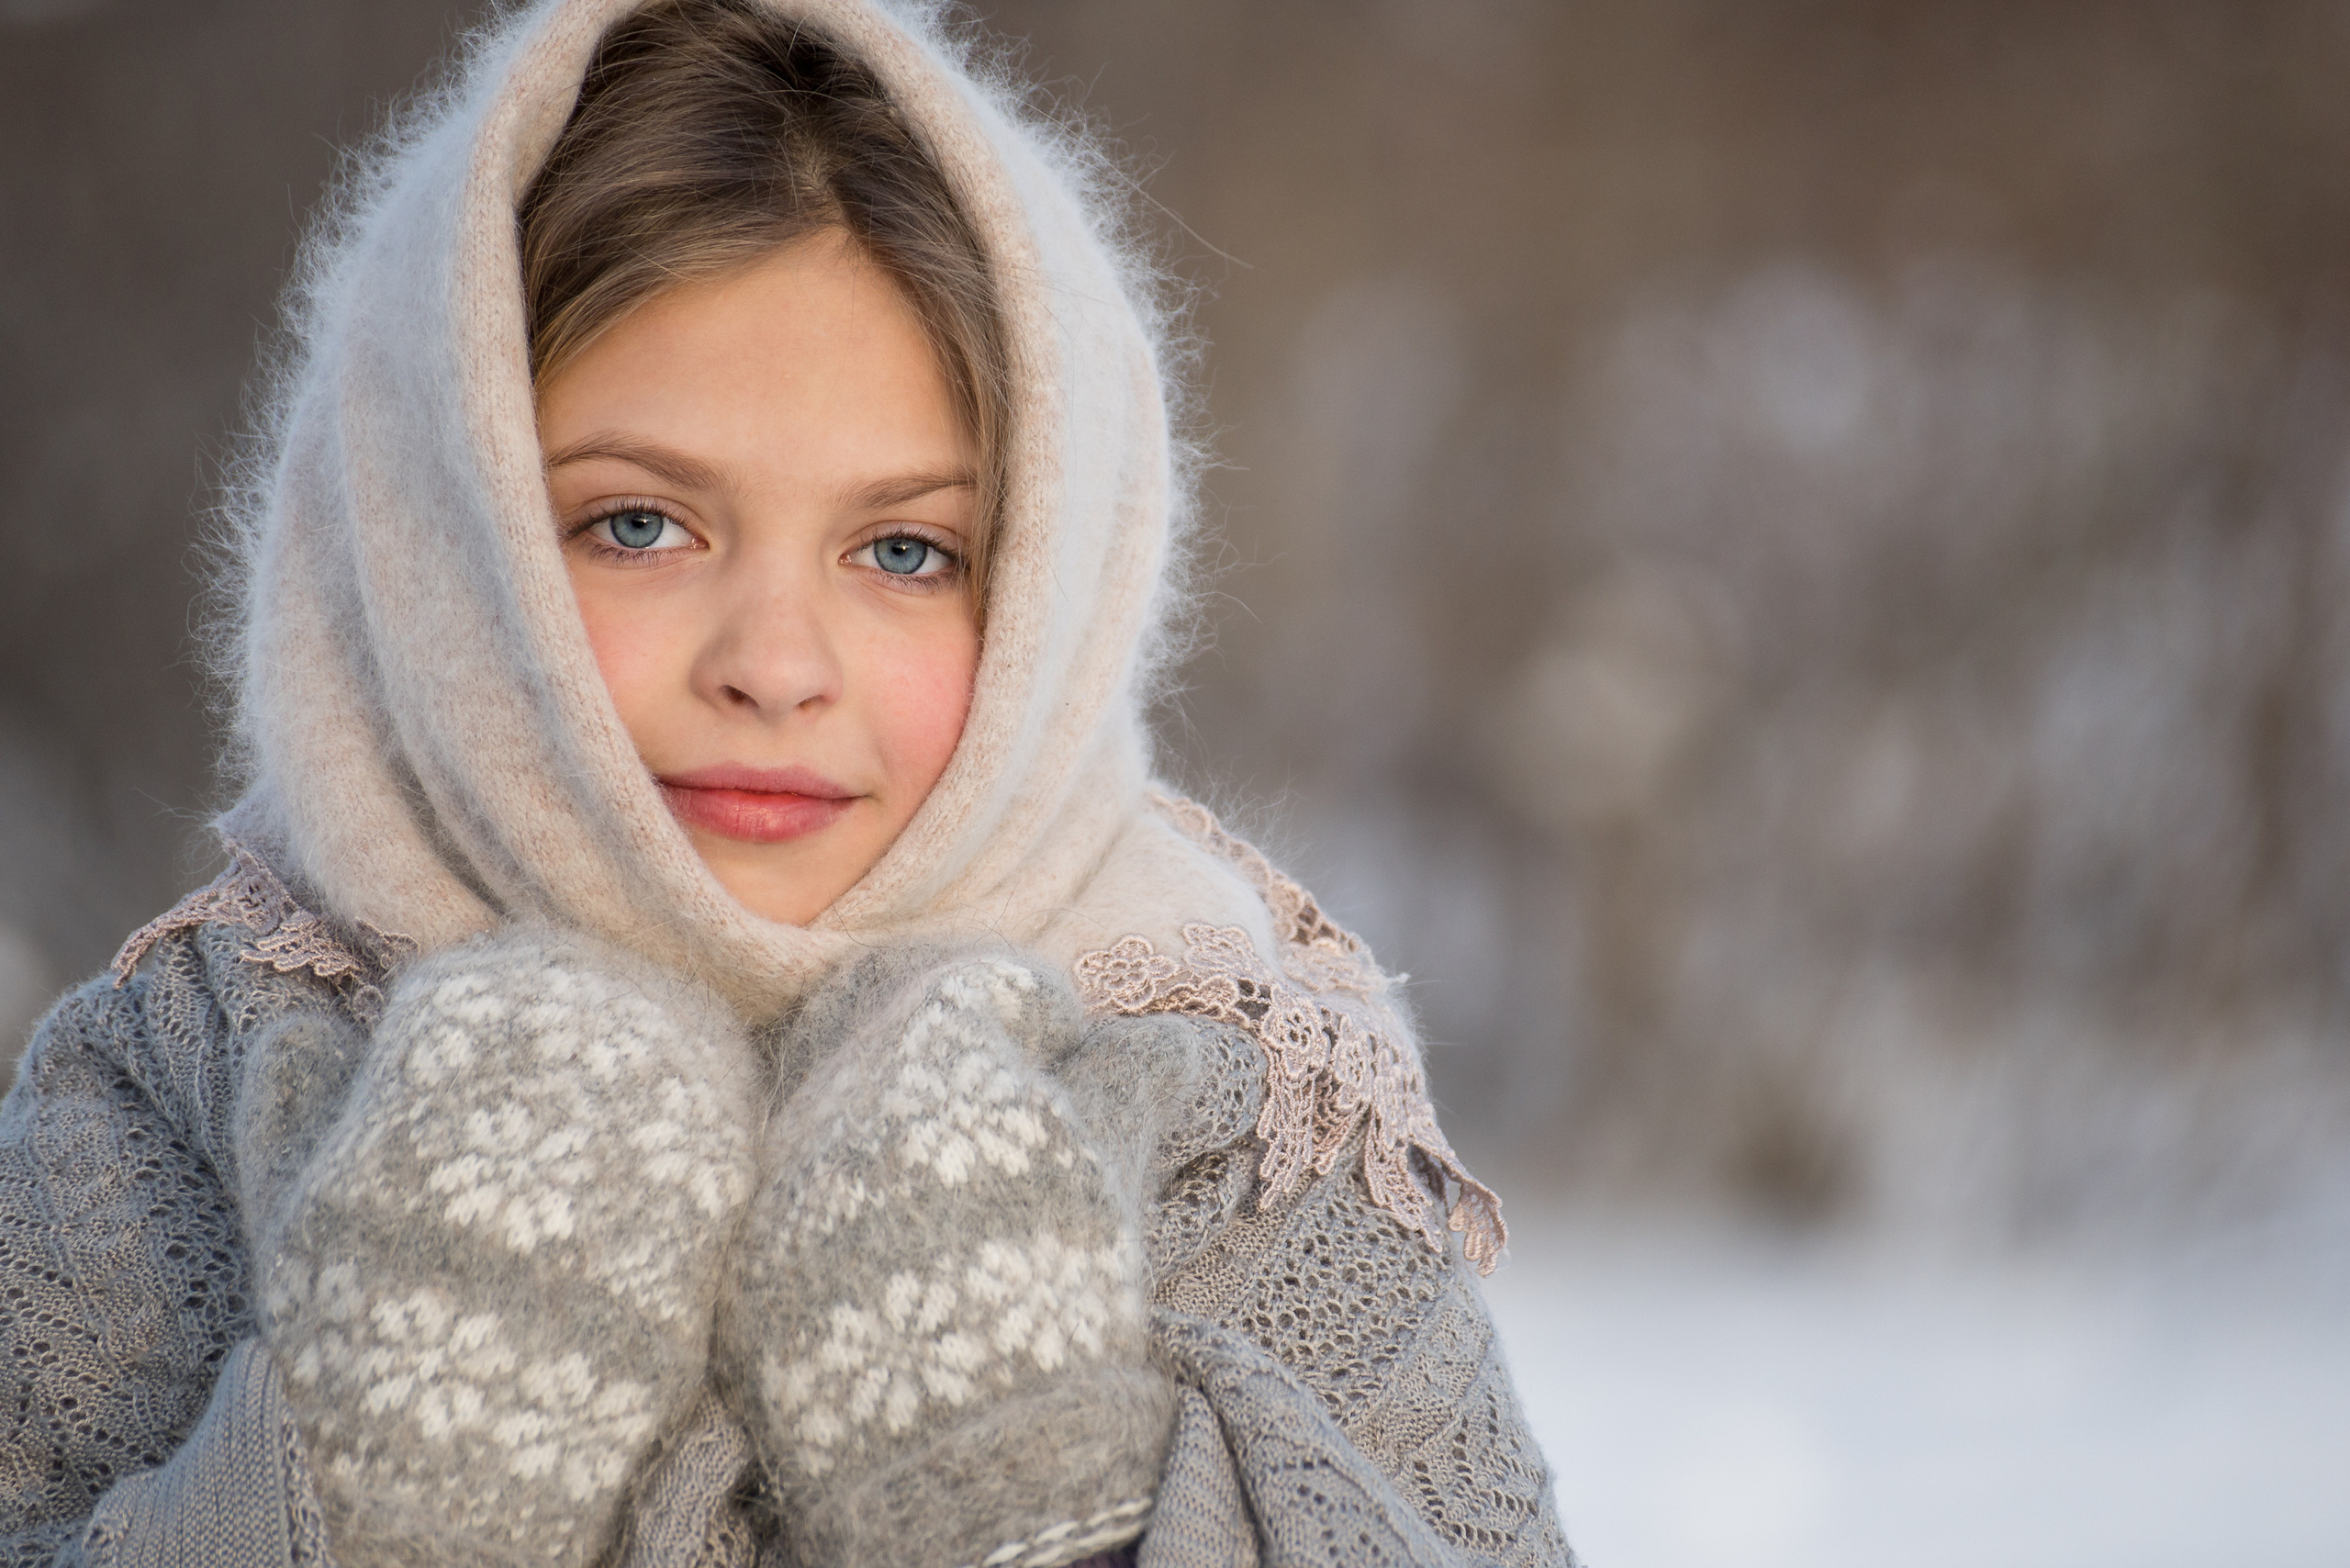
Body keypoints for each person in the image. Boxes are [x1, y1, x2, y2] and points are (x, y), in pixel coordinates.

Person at [0, 1, 1572, 1563]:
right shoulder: (169, 1109)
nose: (773, 663)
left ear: (1042, 591)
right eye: (638, 524)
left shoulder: (1253, 1148)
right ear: (436, 539)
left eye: (904, 551)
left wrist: (1048, 1506)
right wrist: (356, 1498)